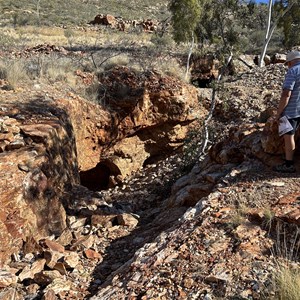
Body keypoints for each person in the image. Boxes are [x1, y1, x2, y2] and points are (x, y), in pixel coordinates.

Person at [273, 50, 300, 173]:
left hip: (292, 111)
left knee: (289, 137)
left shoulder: (293, 71)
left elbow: (286, 94)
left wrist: (279, 113)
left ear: (290, 62)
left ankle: (289, 165)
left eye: (287, 63)